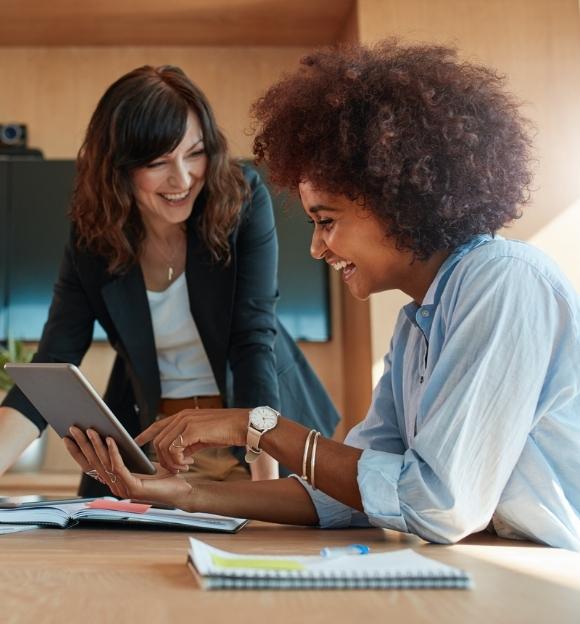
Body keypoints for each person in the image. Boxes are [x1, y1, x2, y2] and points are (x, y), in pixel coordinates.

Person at [64, 42, 579, 551]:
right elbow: (351, 496)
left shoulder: (503, 281)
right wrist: (188, 494)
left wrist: (257, 425)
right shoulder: (415, 327)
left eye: (325, 221)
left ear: (396, 200)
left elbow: (437, 503)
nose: (315, 247)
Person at [0, 65, 339, 495]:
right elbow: (51, 364)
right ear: (118, 169)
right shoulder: (95, 235)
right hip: (159, 445)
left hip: (254, 436)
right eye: (158, 162)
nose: (182, 179)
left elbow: (253, 343)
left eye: (194, 153)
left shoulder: (242, 200)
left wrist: (265, 488)